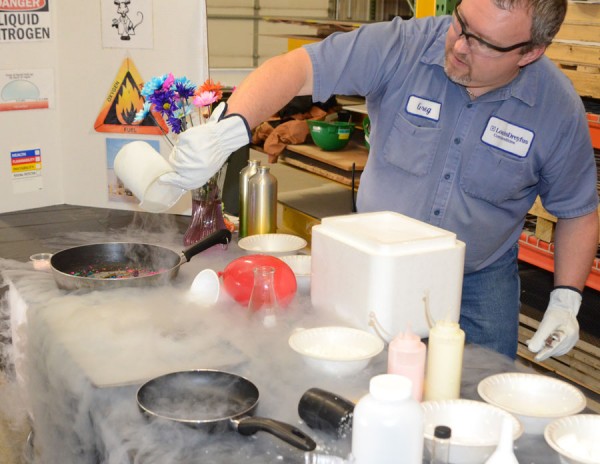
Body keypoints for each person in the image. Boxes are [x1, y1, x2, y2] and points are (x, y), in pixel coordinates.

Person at [160, 0, 599, 360]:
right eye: (461, 23)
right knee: (358, 390)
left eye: (483, 43)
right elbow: (295, 68)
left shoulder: (556, 110)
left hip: (479, 285)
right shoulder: (402, 47)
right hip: (370, 269)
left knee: (475, 409)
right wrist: (232, 129)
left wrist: (565, 299)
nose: (461, 45)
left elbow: (577, 209)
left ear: (530, 52)